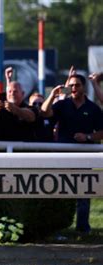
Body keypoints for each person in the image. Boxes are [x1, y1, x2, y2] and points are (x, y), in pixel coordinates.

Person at [41, 73, 103, 234]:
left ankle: (83, 229)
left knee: (83, 193)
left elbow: (101, 132)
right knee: (59, 192)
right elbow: (44, 113)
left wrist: (88, 136)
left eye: (77, 85)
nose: (74, 88)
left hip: (84, 157)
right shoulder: (62, 105)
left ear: (83, 87)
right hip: (62, 156)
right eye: (71, 85)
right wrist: (52, 96)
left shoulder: (92, 108)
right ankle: (57, 229)